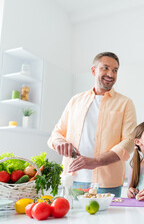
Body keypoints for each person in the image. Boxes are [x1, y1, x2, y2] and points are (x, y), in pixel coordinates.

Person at [48, 52, 137, 197]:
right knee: (70, 219)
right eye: (105, 68)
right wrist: (59, 142)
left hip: (107, 184)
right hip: (72, 179)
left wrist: (96, 161)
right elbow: (56, 133)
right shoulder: (75, 101)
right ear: (93, 70)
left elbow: (129, 142)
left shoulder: (125, 103)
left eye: (115, 70)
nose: (111, 74)